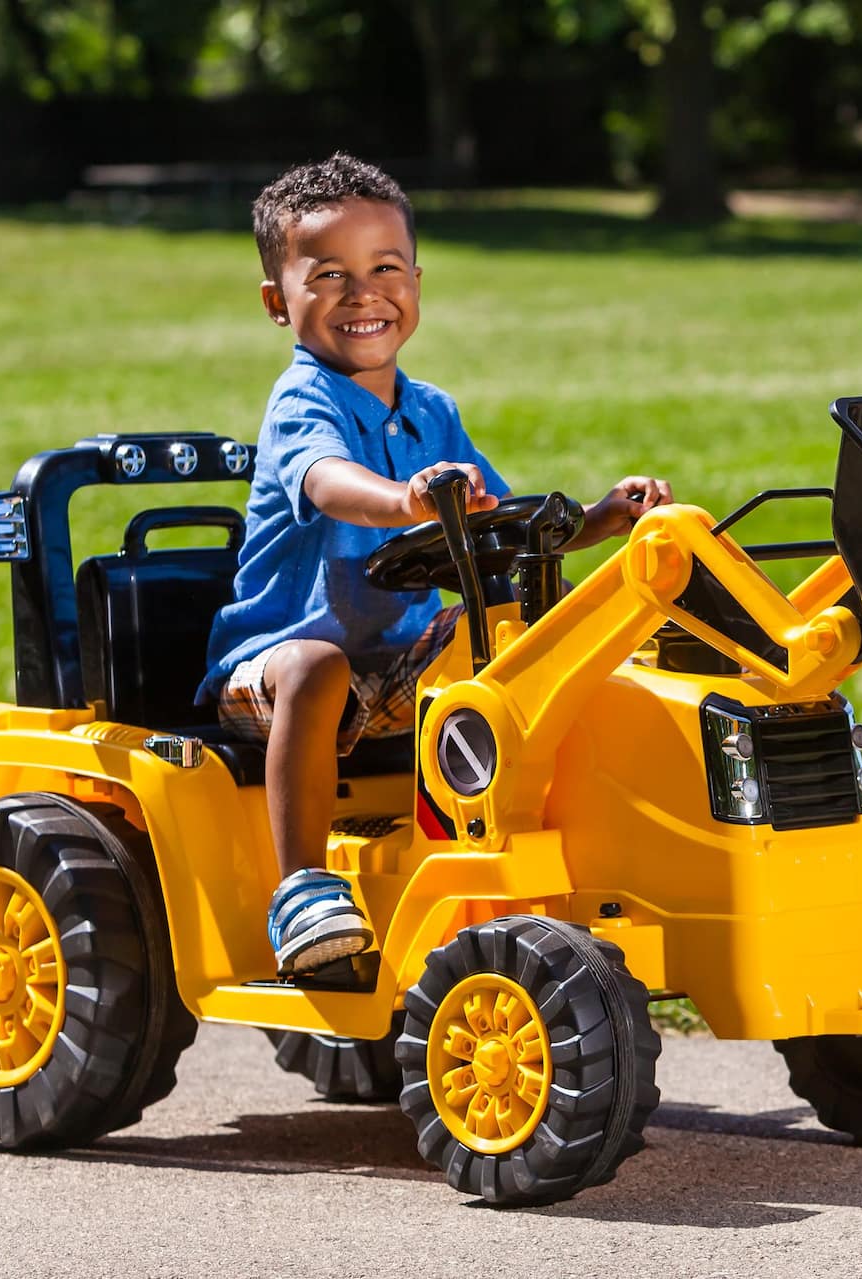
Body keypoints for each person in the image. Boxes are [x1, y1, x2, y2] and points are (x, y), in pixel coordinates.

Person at [196, 153, 671, 979]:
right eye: (331, 274)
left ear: (417, 282)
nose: (364, 293)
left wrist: (604, 517)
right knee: (318, 666)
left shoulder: (432, 412)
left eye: (385, 269)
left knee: (523, 644)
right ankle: (302, 889)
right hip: (276, 671)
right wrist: (405, 501)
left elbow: (506, 524)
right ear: (280, 302)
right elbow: (328, 481)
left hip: (398, 666)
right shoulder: (302, 400)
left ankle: (536, 852)